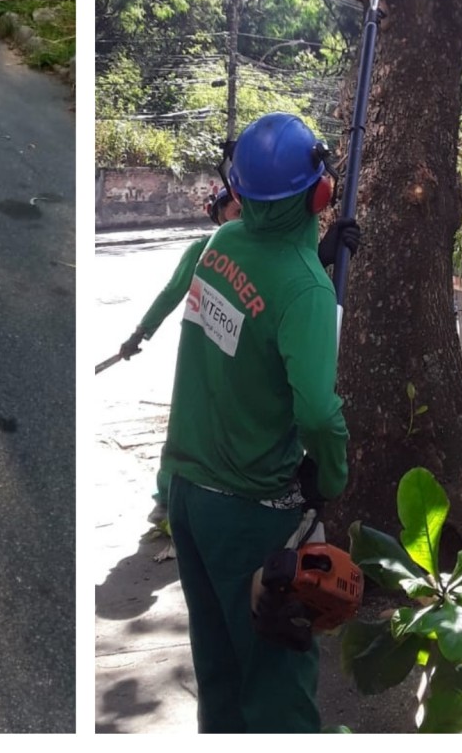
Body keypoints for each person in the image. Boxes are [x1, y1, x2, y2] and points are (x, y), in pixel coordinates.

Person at [116, 113, 354, 733]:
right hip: (251, 514)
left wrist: (313, 258)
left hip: (187, 501)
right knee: (277, 690)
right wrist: (331, 475)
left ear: (239, 190)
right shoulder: (306, 292)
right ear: (320, 193)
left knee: (220, 672)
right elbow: (317, 413)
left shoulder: (219, 247)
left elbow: (253, 313)